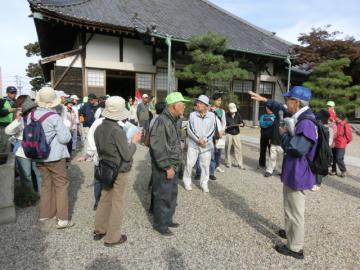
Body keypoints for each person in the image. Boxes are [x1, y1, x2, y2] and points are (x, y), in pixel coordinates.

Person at [250, 86, 318, 260]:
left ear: (296, 102)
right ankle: (290, 232)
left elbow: (298, 148)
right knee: (290, 206)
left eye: (288, 99)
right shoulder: (300, 116)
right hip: (294, 171)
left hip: (298, 172)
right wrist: (265, 100)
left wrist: (284, 134)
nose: (286, 103)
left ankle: (295, 248)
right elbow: (280, 108)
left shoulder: (307, 122)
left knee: (296, 211)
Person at [93, 96, 141, 247]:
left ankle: (100, 229)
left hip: (105, 167)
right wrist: (133, 143)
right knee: (117, 201)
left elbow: (100, 149)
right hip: (119, 169)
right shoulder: (117, 130)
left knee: (105, 197)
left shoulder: (99, 127)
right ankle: (113, 236)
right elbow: (126, 155)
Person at [34, 87, 73, 229]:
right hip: (55, 156)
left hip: (38, 155)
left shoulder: (31, 115)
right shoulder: (53, 116)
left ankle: (45, 213)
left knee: (46, 185)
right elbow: (64, 138)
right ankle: (62, 219)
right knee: (61, 185)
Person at [150, 92, 188, 236]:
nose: (184, 106)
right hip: (165, 167)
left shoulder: (172, 119)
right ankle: (160, 224)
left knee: (171, 194)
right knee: (163, 195)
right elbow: (158, 147)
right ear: (173, 106)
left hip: (173, 164)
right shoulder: (162, 121)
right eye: (182, 103)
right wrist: (167, 166)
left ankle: (167, 218)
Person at [5, 95, 42, 193]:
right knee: (26, 176)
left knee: (38, 174)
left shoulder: (37, 116)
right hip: (22, 151)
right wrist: (17, 119)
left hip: (36, 149)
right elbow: (8, 131)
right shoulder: (19, 119)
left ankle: (41, 194)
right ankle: (29, 197)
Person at [182, 95, 216, 193]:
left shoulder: (211, 115)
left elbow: (212, 129)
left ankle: (204, 183)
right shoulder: (192, 114)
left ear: (206, 106)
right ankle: (187, 182)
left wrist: (204, 139)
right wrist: (198, 139)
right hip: (194, 143)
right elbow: (190, 128)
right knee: (189, 163)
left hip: (206, 144)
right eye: (198, 102)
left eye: (201, 103)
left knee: (205, 165)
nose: (198, 104)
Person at [331, 112, 352, 177]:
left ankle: (343, 170)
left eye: (336, 117)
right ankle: (333, 170)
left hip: (341, 144)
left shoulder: (345, 125)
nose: (335, 118)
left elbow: (349, 136)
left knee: (338, 158)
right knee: (333, 158)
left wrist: (344, 142)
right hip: (333, 143)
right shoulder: (335, 123)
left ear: (340, 118)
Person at [224, 103, 245, 169]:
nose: (233, 112)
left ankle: (240, 163)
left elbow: (242, 122)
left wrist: (242, 124)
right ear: (229, 109)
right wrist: (225, 126)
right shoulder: (225, 115)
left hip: (236, 133)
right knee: (227, 148)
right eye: (231, 111)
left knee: (238, 148)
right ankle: (228, 162)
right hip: (228, 133)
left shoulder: (238, 114)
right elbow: (223, 124)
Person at [0, 86, 18, 154]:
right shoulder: (2, 101)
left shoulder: (17, 102)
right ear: (7, 93)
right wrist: (8, 110)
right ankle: (6, 163)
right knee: (6, 145)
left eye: (15, 92)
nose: (14, 94)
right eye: (12, 92)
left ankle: (14, 161)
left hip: (15, 126)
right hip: (5, 127)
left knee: (14, 144)